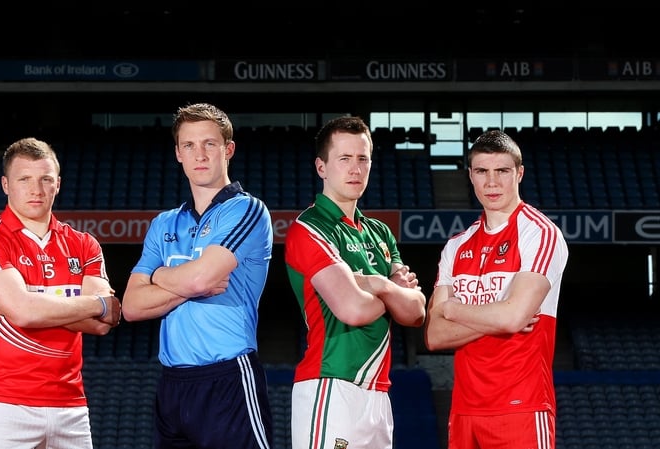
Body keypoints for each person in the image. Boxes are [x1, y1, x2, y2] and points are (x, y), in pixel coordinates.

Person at [121, 102, 274, 449]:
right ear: (178, 153)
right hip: (172, 384)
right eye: (189, 145)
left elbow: (202, 280)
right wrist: (182, 278)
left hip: (228, 379)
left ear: (228, 149)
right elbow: (131, 305)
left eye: (209, 144)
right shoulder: (164, 223)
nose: (199, 154)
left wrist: (158, 276)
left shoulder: (247, 209)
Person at [0, 137, 122, 449]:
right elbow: (24, 311)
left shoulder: (83, 244)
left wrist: (38, 304)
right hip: (5, 405)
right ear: (6, 184)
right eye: (24, 179)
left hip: (71, 407)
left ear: (57, 184)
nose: (36, 190)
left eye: (45, 179)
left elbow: (104, 320)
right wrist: (92, 304)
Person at [284, 115, 427, 449]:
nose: (355, 169)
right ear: (322, 167)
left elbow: (416, 312)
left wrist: (375, 284)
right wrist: (392, 287)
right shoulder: (309, 229)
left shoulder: (380, 232)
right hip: (331, 386)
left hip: (378, 392)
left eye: (363, 159)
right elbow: (351, 309)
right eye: (344, 159)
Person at [424, 129, 569, 449]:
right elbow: (435, 336)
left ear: (519, 173)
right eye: (482, 171)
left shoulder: (540, 234)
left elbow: (513, 318)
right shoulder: (456, 246)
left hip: (522, 407)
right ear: (471, 176)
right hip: (464, 411)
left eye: (502, 171)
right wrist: (498, 314)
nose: (492, 182)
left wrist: (453, 309)